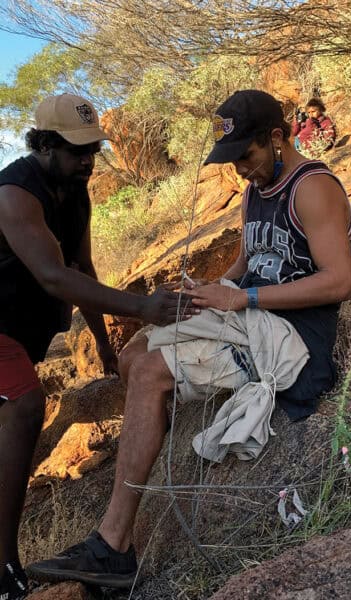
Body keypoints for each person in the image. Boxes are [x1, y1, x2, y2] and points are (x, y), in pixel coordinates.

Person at [27, 90, 351, 589]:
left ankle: (113, 546)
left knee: (155, 370)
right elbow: (246, 264)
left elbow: (338, 282)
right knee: (137, 351)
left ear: (277, 137)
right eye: (233, 160)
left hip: (291, 335)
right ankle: (154, 436)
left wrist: (241, 300)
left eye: (246, 155)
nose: (241, 169)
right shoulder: (254, 191)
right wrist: (212, 289)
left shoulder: (312, 187)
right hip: (249, 313)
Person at [0, 93, 198, 600]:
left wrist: (106, 343)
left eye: (93, 150)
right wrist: (143, 308)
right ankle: (4, 568)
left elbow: (82, 267)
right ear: (44, 144)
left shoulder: (75, 189)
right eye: (76, 150)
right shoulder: (14, 193)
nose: (88, 161)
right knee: (26, 408)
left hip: (21, 333)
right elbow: (52, 276)